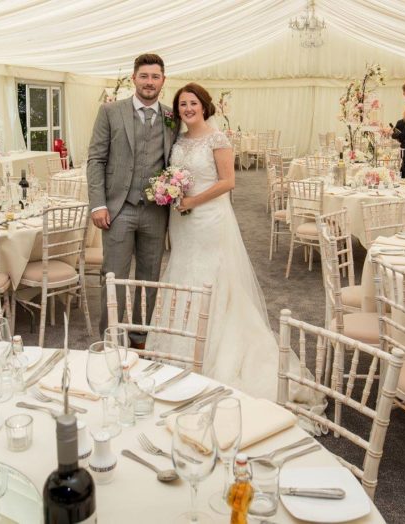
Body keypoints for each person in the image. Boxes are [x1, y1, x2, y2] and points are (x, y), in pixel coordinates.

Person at [147, 83, 320, 406]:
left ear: (204, 106)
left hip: (209, 218)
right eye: (182, 104)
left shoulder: (218, 138)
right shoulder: (179, 139)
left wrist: (193, 200)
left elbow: (228, 182)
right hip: (181, 220)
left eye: (193, 103)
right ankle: (180, 343)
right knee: (183, 270)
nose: (187, 109)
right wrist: (170, 191)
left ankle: (213, 348)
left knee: (211, 276)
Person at [87, 53, 175, 345]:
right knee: (114, 276)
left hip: (155, 210)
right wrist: (98, 204)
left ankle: (140, 336)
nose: (149, 82)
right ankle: (109, 336)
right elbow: (96, 160)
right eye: (144, 76)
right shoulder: (111, 112)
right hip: (118, 208)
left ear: (163, 80)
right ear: (134, 78)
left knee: (149, 278)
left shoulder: (171, 118)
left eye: (155, 77)